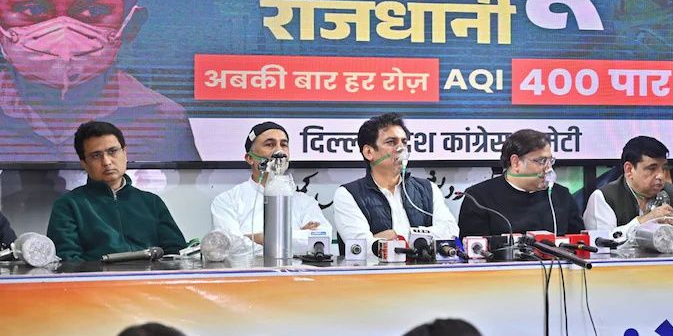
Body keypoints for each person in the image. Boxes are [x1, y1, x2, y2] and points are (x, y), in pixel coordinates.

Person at [0, 0, 199, 161]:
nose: (63, 33)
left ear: (132, 24)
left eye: (92, 11)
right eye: (32, 9)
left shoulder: (164, 120)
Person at [47, 121, 186, 261]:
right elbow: (67, 260)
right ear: (84, 164)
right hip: (97, 275)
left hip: (151, 274)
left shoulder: (152, 202)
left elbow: (176, 252)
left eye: (112, 151)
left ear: (125, 153)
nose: (107, 162)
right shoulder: (68, 205)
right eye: (96, 155)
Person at [334, 113, 458, 255]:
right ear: (369, 152)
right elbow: (361, 247)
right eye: (391, 142)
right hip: (375, 269)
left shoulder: (428, 189)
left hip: (423, 268)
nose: (401, 149)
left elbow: (451, 232)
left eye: (404, 142)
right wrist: (427, 235)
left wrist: (402, 236)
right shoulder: (348, 194)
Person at [210, 122, 332, 254]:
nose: (279, 151)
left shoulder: (305, 202)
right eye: (269, 144)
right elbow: (231, 246)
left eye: (283, 145)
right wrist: (297, 235)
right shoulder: (227, 201)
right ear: (250, 158)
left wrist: (257, 237)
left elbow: (323, 239)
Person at [458, 129, 583, 238]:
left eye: (550, 160)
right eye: (541, 161)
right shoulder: (479, 198)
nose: (548, 168)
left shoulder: (561, 196)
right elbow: (473, 250)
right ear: (516, 162)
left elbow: (579, 244)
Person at [583, 136, 673, 235]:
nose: (661, 176)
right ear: (629, 170)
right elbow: (602, 243)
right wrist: (645, 221)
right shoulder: (604, 198)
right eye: (652, 168)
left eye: (664, 168)